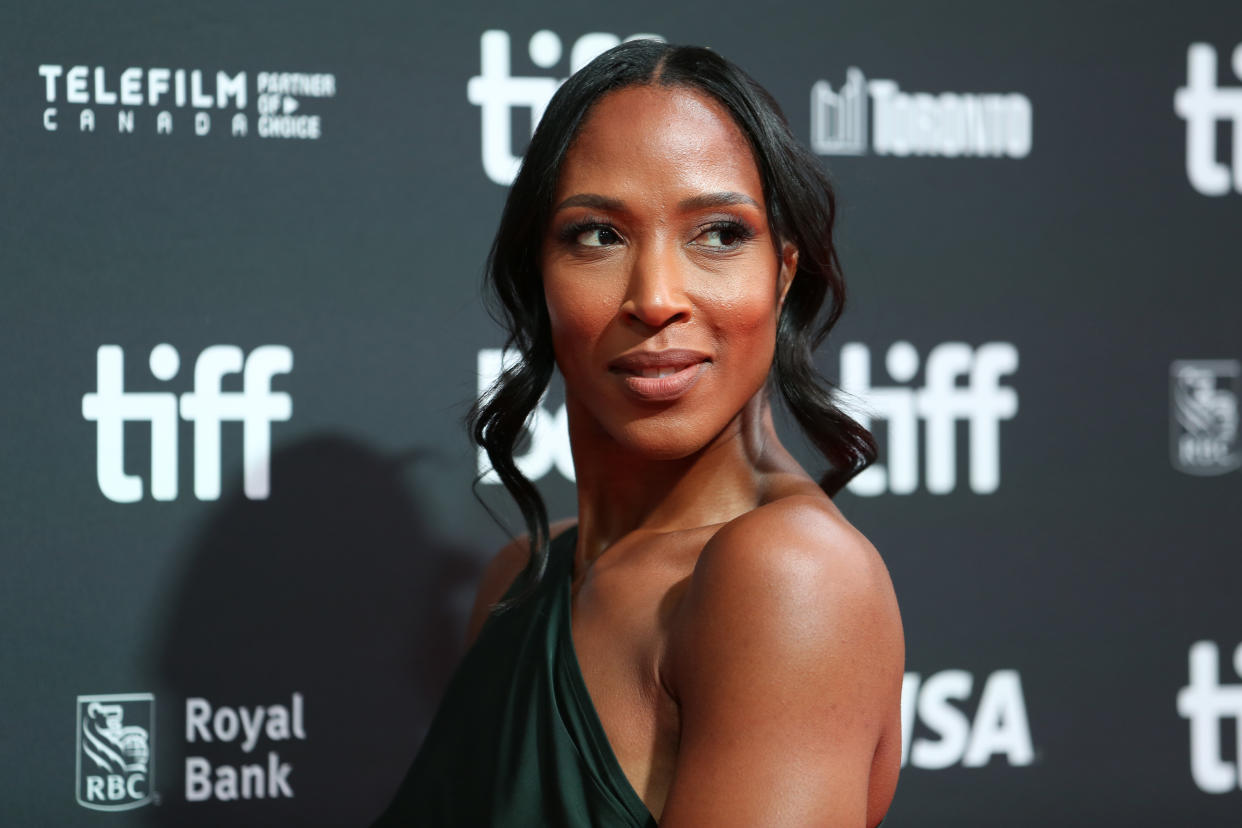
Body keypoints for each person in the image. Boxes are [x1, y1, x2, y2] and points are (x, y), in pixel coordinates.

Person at [375, 39, 904, 827]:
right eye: (597, 235)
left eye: (720, 233)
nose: (656, 298)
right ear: (537, 277)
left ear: (784, 272)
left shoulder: (791, 578)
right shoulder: (519, 581)